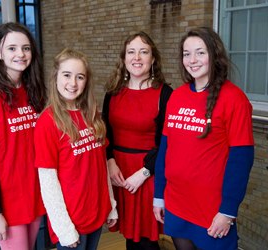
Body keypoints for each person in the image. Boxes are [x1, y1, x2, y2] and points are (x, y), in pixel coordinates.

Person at [153, 26, 254, 250]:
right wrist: (159, 196)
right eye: (186, 54)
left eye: (200, 52)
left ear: (214, 55)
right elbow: (165, 151)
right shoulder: (177, 96)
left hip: (211, 211)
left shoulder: (234, 99)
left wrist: (228, 211)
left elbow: (241, 160)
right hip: (177, 203)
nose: (192, 59)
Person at [0, 22, 47, 250]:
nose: (20, 54)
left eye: (26, 48)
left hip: (34, 192)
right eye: (12, 48)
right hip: (8, 202)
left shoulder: (33, 90)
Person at [34, 48, 118, 250]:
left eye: (79, 77)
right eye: (67, 75)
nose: (72, 83)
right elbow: (48, 183)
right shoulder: (47, 122)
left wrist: (111, 205)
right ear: (55, 77)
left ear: (86, 82)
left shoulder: (92, 116)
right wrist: (64, 228)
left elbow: (101, 168)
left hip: (96, 214)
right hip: (71, 223)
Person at [102, 31, 173, 250]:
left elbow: (167, 143)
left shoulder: (165, 94)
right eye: (131, 52)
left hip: (147, 175)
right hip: (119, 174)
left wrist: (143, 174)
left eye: (144, 52)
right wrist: (110, 161)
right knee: (131, 239)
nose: (137, 58)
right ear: (124, 58)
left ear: (153, 59)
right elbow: (104, 133)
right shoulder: (113, 92)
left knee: (147, 241)